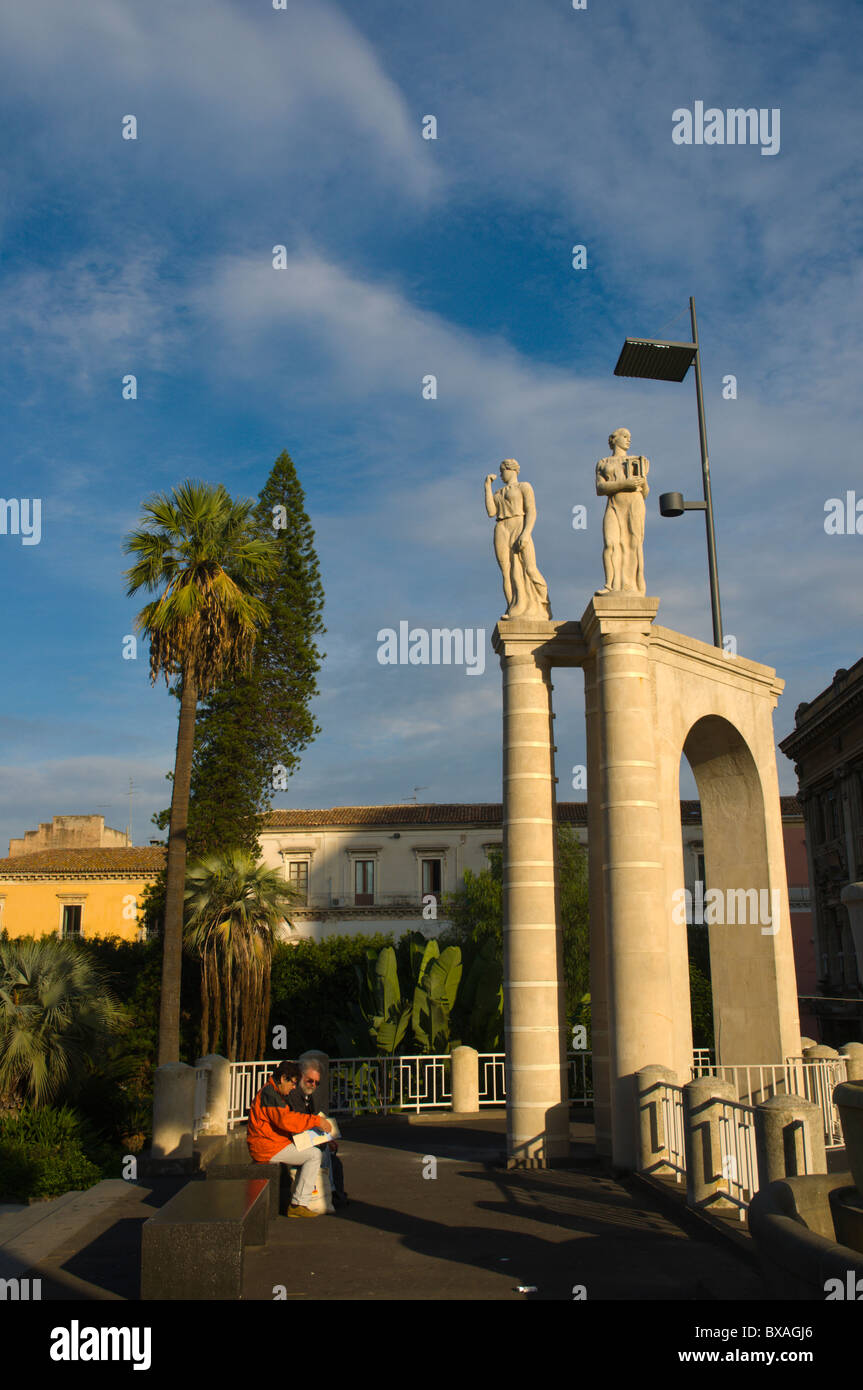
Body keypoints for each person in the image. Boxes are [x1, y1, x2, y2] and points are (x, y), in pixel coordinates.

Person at [246, 1059, 333, 1218]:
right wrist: (316, 1121)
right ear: (283, 1078)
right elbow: (286, 1121)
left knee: (312, 1152)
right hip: (267, 1147)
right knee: (314, 1155)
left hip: (271, 1143)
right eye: (292, 1083)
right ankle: (299, 1203)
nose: (293, 1087)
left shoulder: (271, 1091)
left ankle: (299, 1201)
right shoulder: (270, 1094)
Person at [484, 459, 552, 619]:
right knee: (506, 572)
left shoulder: (524, 486)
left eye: (503, 471)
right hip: (501, 528)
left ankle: (543, 603)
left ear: (511, 469)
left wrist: (526, 533)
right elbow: (491, 511)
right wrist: (487, 487)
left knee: (528, 567)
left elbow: (531, 511)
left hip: (518, 523)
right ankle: (512, 607)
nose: (501, 475)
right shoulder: (498, 493)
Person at [594, 428, 649, 595]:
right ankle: (611, 585)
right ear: (613, 439)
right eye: (624, 436)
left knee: (634, 543)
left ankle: (631, 586)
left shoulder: (638, 461)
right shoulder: (603, 462)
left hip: (634, 503)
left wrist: (643, 480)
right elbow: (600, 488)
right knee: (611, 543)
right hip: (613, 504)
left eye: (630, 437)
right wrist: (625, 484)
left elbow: (644, 492)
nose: (628, 439)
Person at [287, 1059, 348, 1207]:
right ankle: (331, 1191)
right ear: (301, 1076)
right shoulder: (293, 1094)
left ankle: (332, 1191)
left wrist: (327, 1137)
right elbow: (297, 1122)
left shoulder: (309, 1095)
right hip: (291, 1139)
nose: (313, 1085)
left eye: (316, 1083)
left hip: (304, 1137)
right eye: (310, 1081)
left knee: (329, 1152)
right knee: (322, 1150)